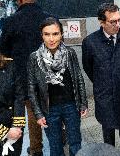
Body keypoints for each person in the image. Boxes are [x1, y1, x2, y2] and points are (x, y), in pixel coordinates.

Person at [0, 0, 50, 156]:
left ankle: (36, 149)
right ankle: (59, 138)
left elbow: (3, 50)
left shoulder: (11, 21)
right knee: (52, 109)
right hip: (49, 75)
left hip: (24, 78)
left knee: (33, 113)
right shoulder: (48, 18)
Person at [28, 17, 88, 156]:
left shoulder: (70, 53)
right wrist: (38, 113)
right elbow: (31, 88)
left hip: (71, 105)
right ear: (41, 35)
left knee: (75, 143)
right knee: (55, 146)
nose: (51, 39)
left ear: (61, 34)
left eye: (55, 34)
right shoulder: (34, 57)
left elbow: (78, 77)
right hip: (49, 109)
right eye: (47, 34)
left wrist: (83, 102)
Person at [82, 3, 120, 156]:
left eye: (119, 20)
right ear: (101, 22)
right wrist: (102, 81)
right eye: (113, 22)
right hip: (104, 93)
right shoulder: (90, 42)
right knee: (108, 128)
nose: (117, 25)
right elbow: (88, 67)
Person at [0, 54, 25, 156]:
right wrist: (4, 133)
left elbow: (19, 96)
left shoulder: (9, 65)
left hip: (13, 130)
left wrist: (17, 126)